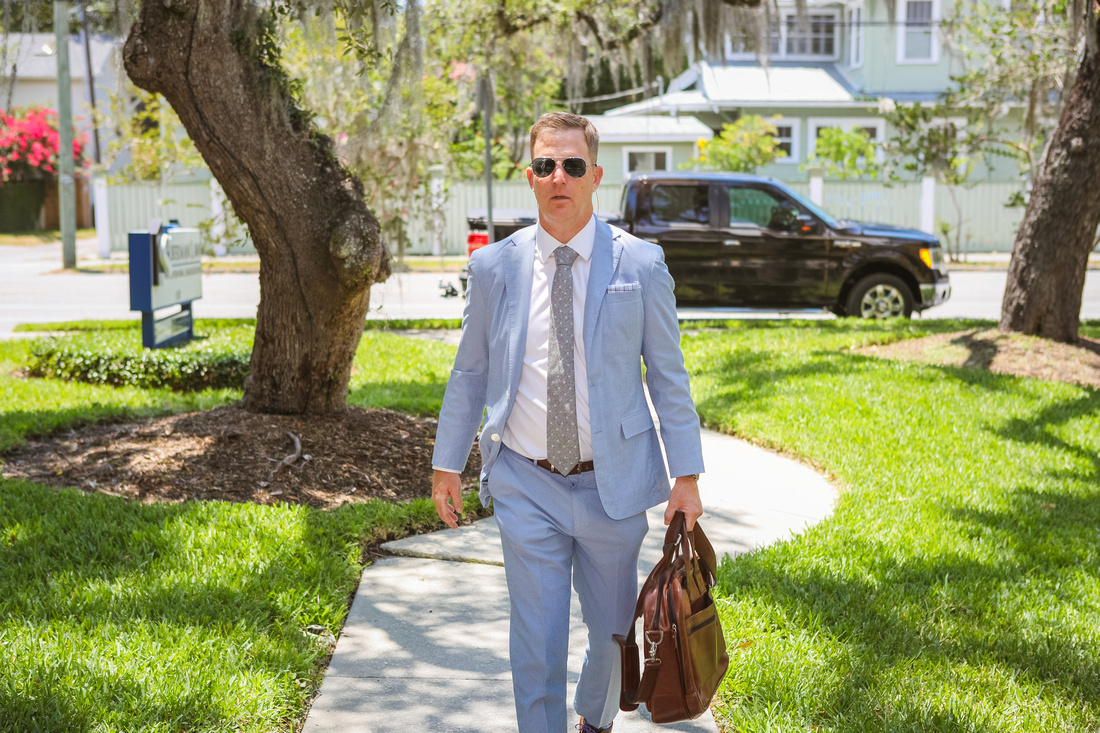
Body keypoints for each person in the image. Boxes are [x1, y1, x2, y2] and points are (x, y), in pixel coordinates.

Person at [431, 112, 705, 733]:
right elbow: (470, 373)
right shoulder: (495, 268)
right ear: (530, 178)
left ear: (594, 176)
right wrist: (447, 463)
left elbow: (668, 376)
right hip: (527, 482)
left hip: (613, 485)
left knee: (612, 637)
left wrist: (685, 476)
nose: (560, 176)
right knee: (537, 640)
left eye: (573, 165)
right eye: (547, 165)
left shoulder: (641, 264)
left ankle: (594, 720)